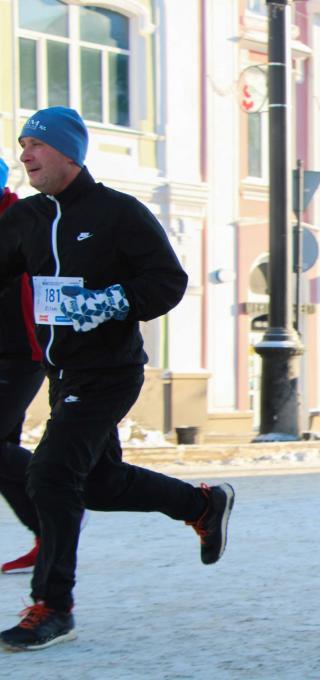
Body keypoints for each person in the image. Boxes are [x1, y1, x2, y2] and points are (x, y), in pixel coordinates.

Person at [0, 107, 235, 651]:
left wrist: (112, 301)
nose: (25, 154)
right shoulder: (27, 219)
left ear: (68, 153)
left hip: (109, 372)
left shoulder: (118, 213)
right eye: (22, 144)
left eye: (35, 144)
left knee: (53, 475)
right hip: (64, 373)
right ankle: (200, 505)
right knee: (98, 483)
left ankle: (53, 606)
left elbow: (168, 281)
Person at [0, 157, 47, 575]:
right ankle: (46, 534)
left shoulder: (22, 219)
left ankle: (59, 494)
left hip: (22, 351)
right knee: (3, 455)